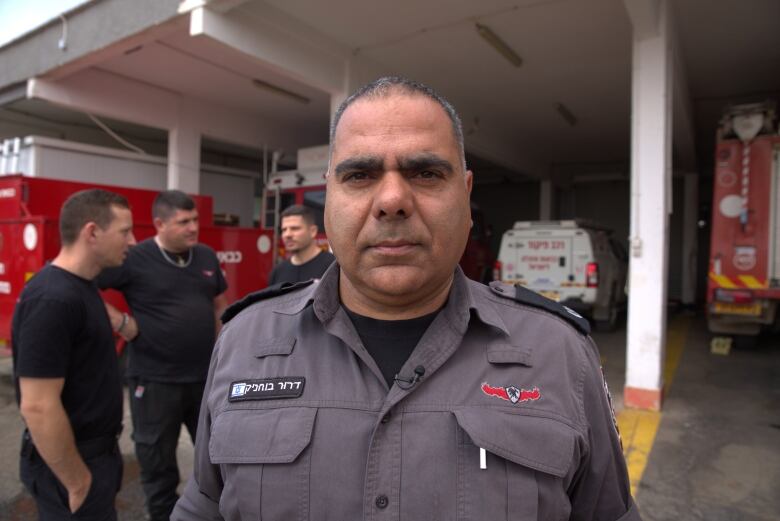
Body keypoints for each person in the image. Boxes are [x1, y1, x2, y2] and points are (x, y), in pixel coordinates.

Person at [172, 77, 641, 520]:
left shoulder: (559, 354)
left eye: (426, 172)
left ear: (466, 194)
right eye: (359, 175)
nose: (392, 199)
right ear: (329, 200)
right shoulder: (243, 341)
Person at [98, 190, 228, 521]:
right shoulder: (136, 258)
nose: (193, 227)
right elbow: (82, 282)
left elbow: (218, 304)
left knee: (220, 460)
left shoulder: (205, 257)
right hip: (155, 383)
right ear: (160, 224)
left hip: (204, 381)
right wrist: (121, 322)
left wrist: (224, 349)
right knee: (159, 471)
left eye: (195, 219)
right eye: (184, 222)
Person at [13, 189, 135, 521]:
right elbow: (38, 405)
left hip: (96, 456)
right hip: (72, 465)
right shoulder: (53, 298)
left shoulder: (83, 288)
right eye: (125, 231)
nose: (133, 240)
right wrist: (78, 482)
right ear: (92, 232)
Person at [267, 204, 335, 285]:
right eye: (284, 230)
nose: (287, 234)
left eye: (295, 228)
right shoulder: (277, 272)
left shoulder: (332, 266)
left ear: (313, 231)